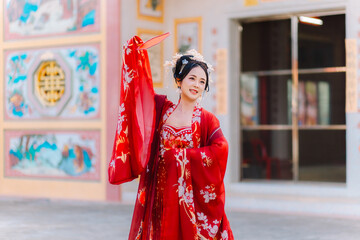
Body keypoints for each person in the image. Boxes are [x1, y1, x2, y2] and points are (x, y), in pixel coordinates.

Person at [109, 35, 234, 240]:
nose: (197, 85)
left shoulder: (206, 120)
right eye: (192, 78)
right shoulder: (161, 110)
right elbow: (138, 95)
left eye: (202, 81)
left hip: (189, 199)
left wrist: (182, 157)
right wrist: (134, 57)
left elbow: (220, 149)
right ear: (179, 80)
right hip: (158, 193)